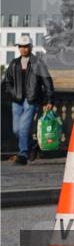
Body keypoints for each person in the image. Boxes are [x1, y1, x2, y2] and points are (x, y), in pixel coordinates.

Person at [2, 35, 54, 164]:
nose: (23, 49)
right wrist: (12, 93)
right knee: (16, 130)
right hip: (17, 101)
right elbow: (6, 82)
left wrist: (49, 100)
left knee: (23, 129)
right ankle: (33, 144)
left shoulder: (38, 63)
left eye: (26, 46)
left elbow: (47, 82)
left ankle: (23, 155)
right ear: (18, 48)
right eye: (21, 46)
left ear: (31, 47)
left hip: (31, 100)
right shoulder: (14, 63)